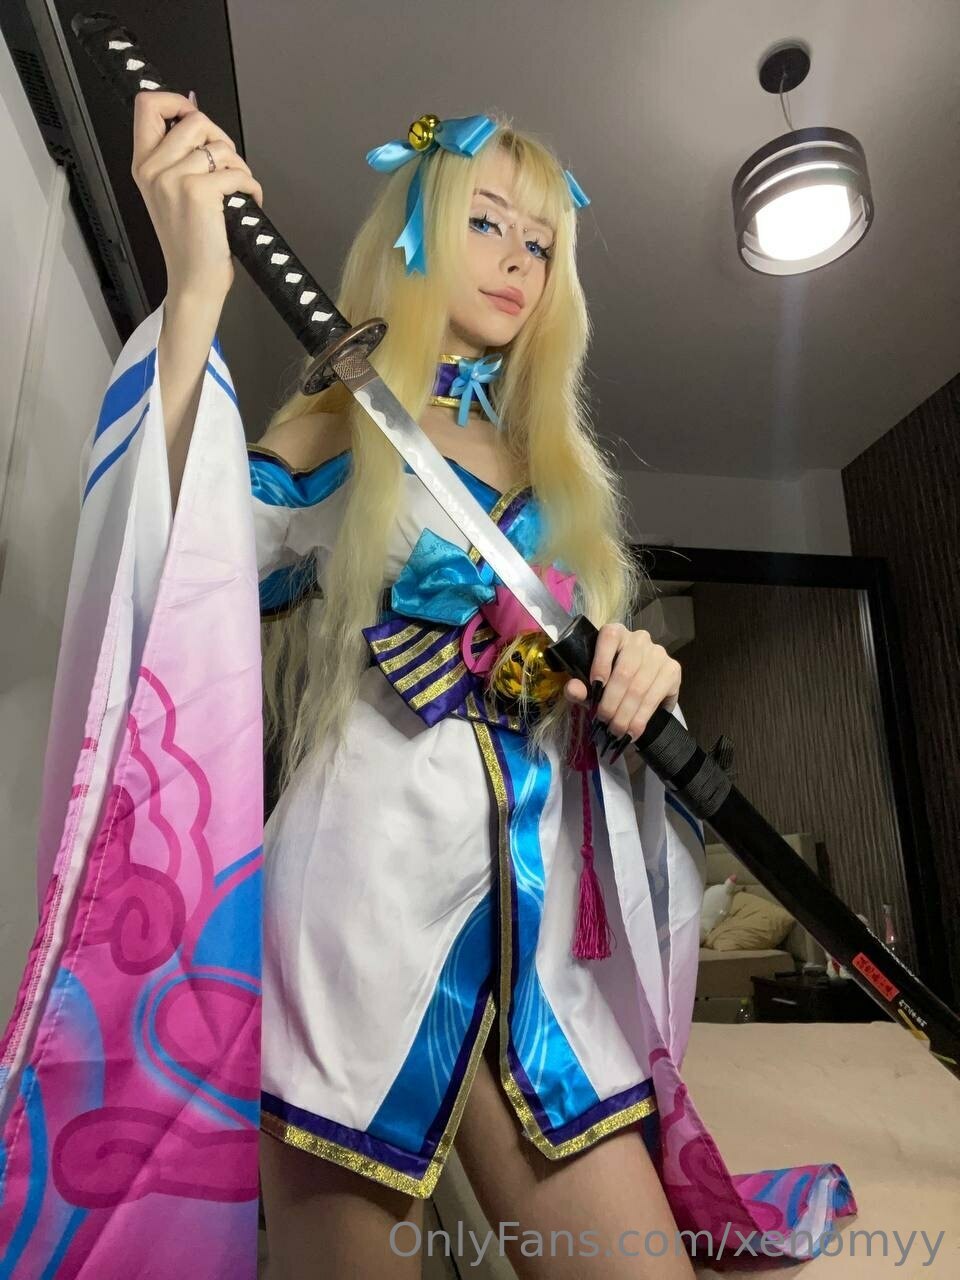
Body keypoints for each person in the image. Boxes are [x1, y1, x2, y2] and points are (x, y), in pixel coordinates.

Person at [0, 91, 855, 1280]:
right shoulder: (338, 429)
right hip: (355, 917)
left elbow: (589, 689)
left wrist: (639, 678)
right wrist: (196, 286)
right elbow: (180, 550)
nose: (516, 261)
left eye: (540, 243)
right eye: (486, 222)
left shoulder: (556, 473)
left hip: (541, 941)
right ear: (414, 233)